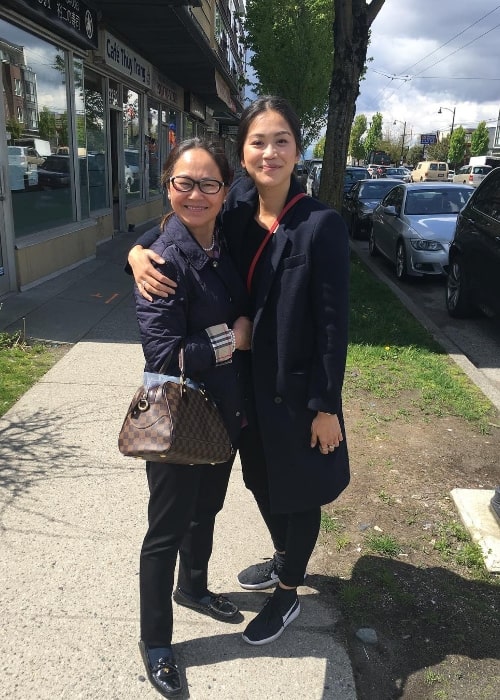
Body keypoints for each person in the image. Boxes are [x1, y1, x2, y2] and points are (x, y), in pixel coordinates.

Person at [128, 95, 350, 647]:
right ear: (243, 156)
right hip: (241, 390)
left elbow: (332, 324)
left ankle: (288, 591)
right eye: (258, 141)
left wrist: (326, 404)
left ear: (299, 151)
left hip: (295, 390)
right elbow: (178, 224)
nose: (269, 151)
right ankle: (280, 560)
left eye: (281, 141)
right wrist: (136, 251)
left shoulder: (320, 225)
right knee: (260, 483)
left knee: (297, 491)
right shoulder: (234, 208)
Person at [134, 138, 252, 698]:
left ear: (224, 191)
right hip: (177, 418)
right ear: (168, 188)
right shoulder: (162, 260)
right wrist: (230, 340)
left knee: (207, 509)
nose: (197, 193)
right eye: (184, 183)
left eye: (209, 183)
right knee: (166, 529)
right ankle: (156, 643)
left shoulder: (222, 242)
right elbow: (165, 357)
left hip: (222, 413)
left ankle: (195, 588)